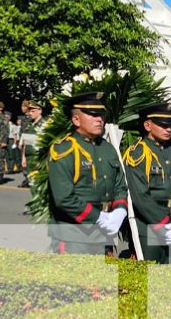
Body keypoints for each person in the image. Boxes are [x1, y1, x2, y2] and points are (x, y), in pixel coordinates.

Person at [47, 92, 128, 255]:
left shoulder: (107, 149)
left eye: (101, 114)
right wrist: (98, 217)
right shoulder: (64, 149)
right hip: (75, 235)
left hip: (104, 234)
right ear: (76, 119)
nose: (99, 119)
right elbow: (64, 198)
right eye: (92, 114)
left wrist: (120, 210)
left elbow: (120, 184)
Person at [124, 102, 171, 263]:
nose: (168, 128)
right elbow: (140, 196)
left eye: (170, 124)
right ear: (148, 125)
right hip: (149, 227)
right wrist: (164, 224)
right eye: (162, 125)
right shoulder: (138, 153)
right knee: (149, 279)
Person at [19, 101, 46, 188]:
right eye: (30, 111)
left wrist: (42, 160)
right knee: (32, 184)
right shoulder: (30, 124)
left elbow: (46, 145)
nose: (30, 113)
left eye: (33, 111)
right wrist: (24, 157)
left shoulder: (44, 125)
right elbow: (26, 142)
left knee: (38, 185)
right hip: (29, 156)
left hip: (37, 157)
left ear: (40, 111)